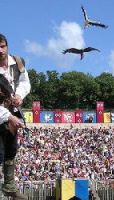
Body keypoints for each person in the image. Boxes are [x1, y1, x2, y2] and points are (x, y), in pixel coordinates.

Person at [0, 33, 31, 200]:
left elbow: (24, 82)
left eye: (2, 46)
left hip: (11, 111)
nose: (0, 50)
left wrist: (19, 95)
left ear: (7, 46)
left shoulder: (17, 62)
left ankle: (9, 185)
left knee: (11, 149)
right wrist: (8, 116)